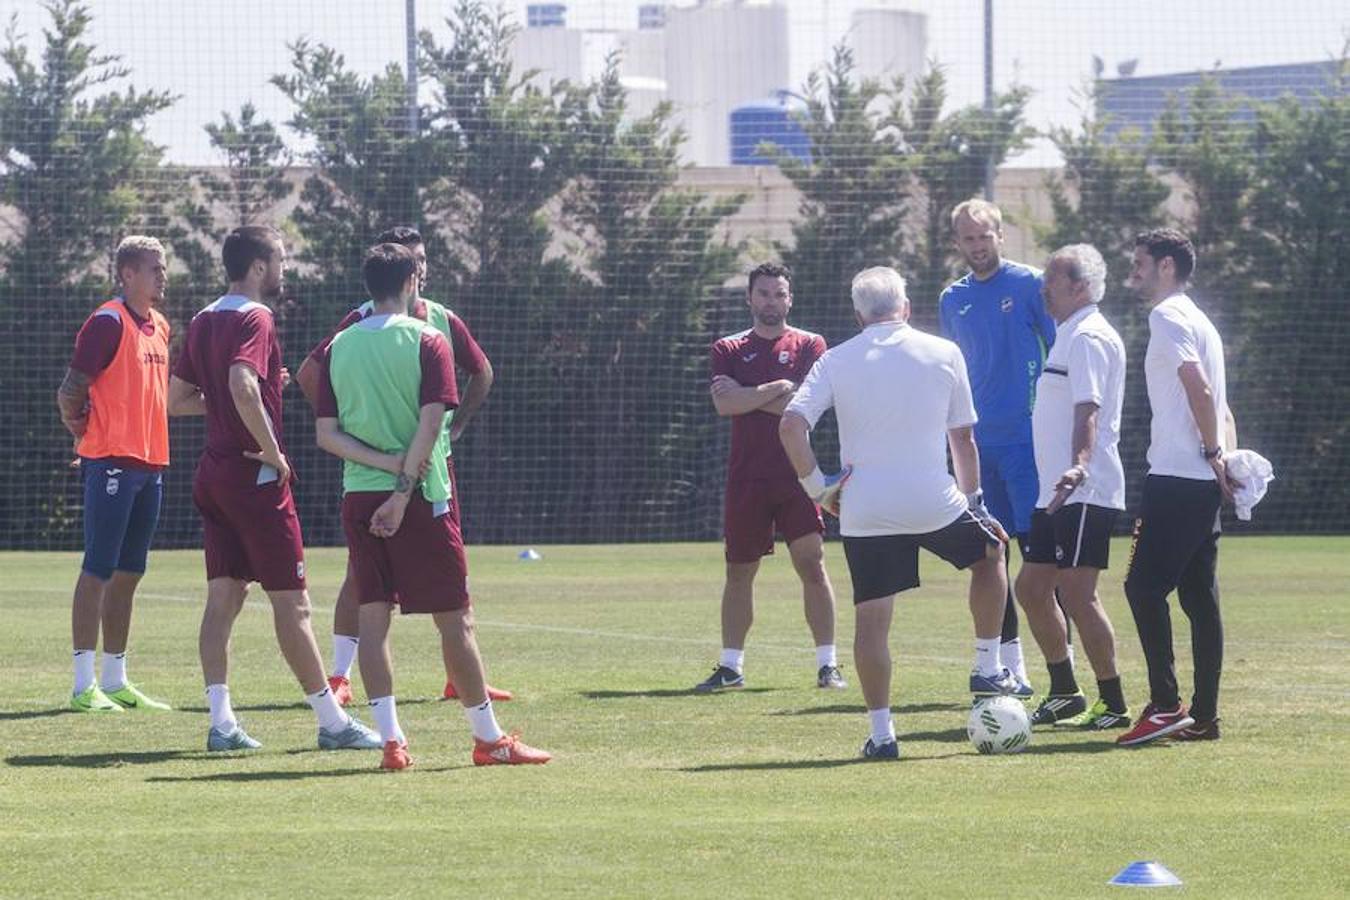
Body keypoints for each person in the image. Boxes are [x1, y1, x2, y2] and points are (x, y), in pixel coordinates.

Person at [314, 243, 550, 769]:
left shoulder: (340, 345)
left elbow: (326, 434)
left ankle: (392, 742)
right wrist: (401, 491)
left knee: (373, 621)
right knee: (456, 622)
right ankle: (488, 740)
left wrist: (377, 463)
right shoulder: (427, 338)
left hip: (358, 494)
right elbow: (430, 426)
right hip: (421, 496)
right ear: (412, 282)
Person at [780, 267, 1016, 761]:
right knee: (992, 552)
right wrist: (974, 504)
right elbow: (964, 440)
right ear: (906, 307)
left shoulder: (835, 360)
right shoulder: (944, 352)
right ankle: (987, 664)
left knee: (872, 622)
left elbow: (791, 426)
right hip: (934, 500)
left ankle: (883, 736)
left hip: (865, 507)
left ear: (858, 314)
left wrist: (818, 490)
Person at [167, 225, 380, 752]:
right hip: (253, 478)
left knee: (224, 597)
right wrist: (271, 449)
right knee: (295, 607)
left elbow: (176, 399)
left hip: (214, 475)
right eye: (280, 259)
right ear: (259, 267)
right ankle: (333, 723)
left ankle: (221, 725)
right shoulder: (255, 316)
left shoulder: (202, 317)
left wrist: (254, 397)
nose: (283, 270)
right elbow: (240, 384)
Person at [294, 225, 509, 706]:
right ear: (403, 275)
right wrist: (351, 424)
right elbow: (311, 375)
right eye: (415, 261)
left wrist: (457, 427)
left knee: (450, 579)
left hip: (429, 471)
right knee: (363, 579)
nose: (422, 268)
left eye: (425, 258)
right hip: (377, 471)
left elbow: (483, 371)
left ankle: (459, 676)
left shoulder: (442, 321)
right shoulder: (359, 324)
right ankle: (341, 674)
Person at [695, 262, 845, 693]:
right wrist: (777, 388)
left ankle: (827, 665)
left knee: (812, 564)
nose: (771, 301)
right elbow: (725, 407)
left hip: (798, 473)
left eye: (779, 294)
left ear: (790, 298)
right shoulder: (727, 347)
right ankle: (730, 667)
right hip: (747, 477)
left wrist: (749, 396)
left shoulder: (811, 344)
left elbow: (805, 409)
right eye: (763, 294)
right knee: (739, 571)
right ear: (749, 298)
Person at [1118, 229, 1237, 746]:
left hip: (1176, 477)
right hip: (1200, 481)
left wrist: (1213, 454)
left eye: (1141, 261)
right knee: (1197, 597)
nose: (1135, 269)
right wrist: (1223, 459)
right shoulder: (1199, 318)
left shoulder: (1167, 316)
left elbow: (1199, 386)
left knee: (1142, 588)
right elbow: (1219, 399)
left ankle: (1167, 706)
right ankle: (1205, 715)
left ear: (1167, 266)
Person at [939, 199, 1060, 695]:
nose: (977, 246)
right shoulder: (952, 298)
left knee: (1042, 562)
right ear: (958, 243)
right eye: (968, 238)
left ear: (1000, 235)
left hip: (1029, 447)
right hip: (977, 447)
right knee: (993, 557)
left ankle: (1064, 672)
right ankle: (1012, 668)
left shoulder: (1032, 285)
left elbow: (1059, 355)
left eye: (983, 236)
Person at [1016, 245, 1131, 729]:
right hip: (1055, 491)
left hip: (1084, 488)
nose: (1044, 289)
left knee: (1078, 593)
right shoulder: (1068, 333)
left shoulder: (1089, 336)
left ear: (1079, 286)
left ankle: (1114, 702)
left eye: (1052, 280)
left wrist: (1080, 464)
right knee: (1031, 587)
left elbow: (1090, 407)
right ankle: (1066, 692)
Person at [56, 236, 173, 712]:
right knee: (98, 569)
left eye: (163, 267)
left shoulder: (161, 325)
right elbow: (70, 390)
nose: (162, 275)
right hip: (111, 463)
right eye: (154, 268)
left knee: (129, 573)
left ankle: (116, 678)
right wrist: (82, 432)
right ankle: (84, 685)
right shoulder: (108, 321)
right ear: (127, 274)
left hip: (150, 465)